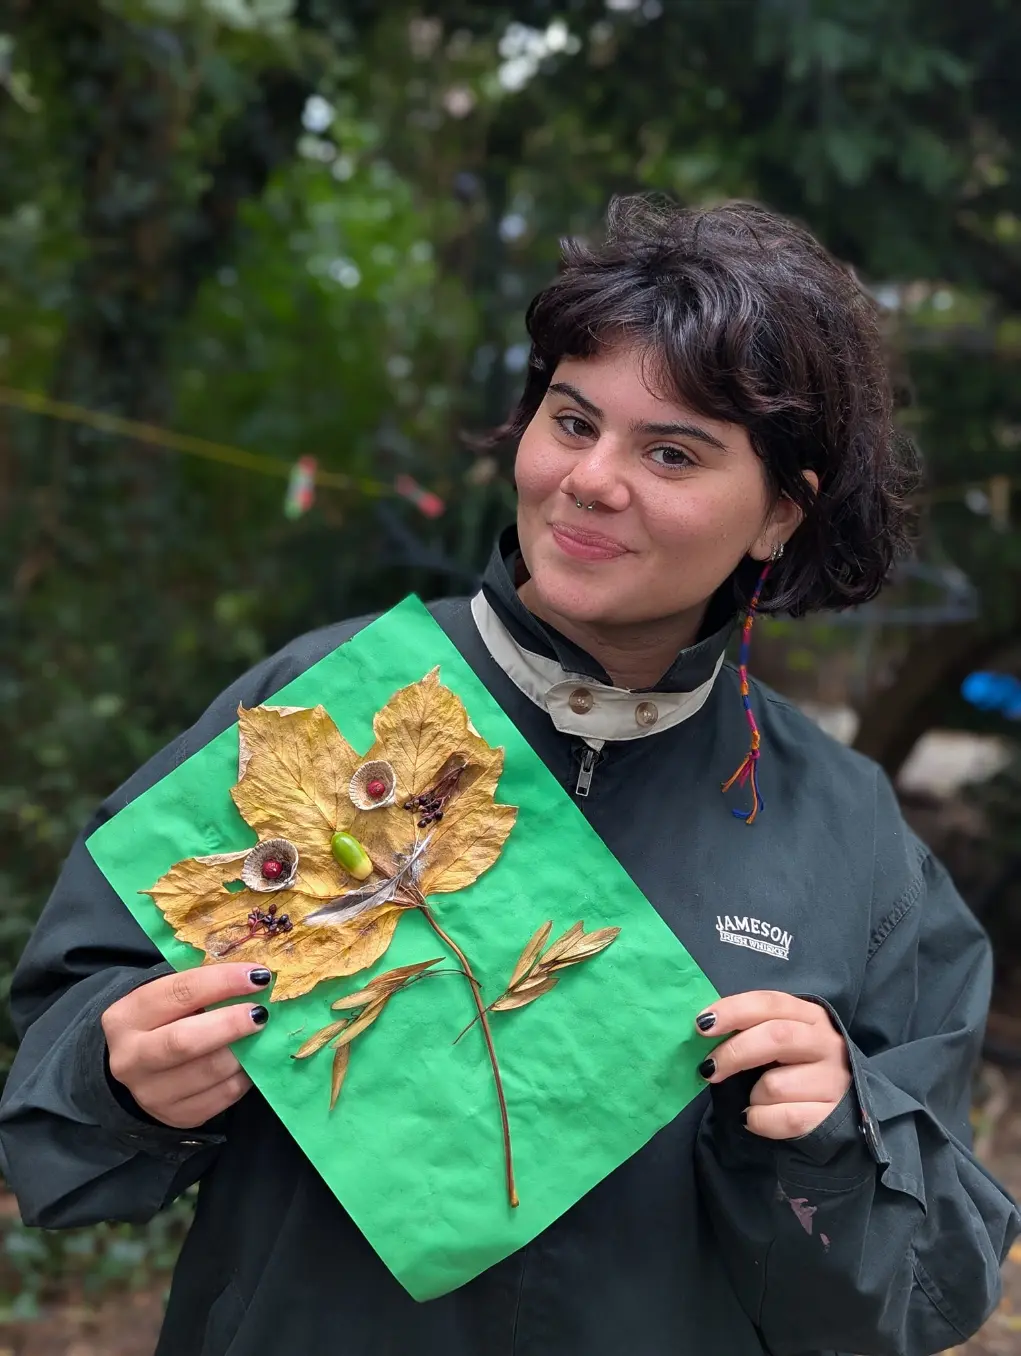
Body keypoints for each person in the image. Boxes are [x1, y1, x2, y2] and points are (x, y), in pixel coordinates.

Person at [1, 195, 1016, 1356]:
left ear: (779, 515)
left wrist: (843, 1130)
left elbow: (927, 1290)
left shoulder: (848, 835)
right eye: (572, 421)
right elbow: (65, 1057)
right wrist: (121, 1076)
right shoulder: (325, 702)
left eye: (671, 452)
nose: (591, 480)